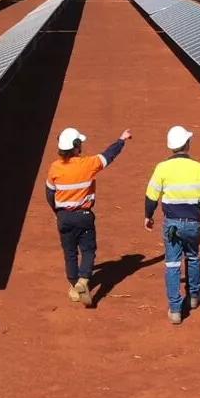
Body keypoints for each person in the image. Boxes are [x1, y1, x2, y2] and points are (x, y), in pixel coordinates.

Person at [46, 126, 132, 306]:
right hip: (84, 216)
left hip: (64, 217)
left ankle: (74, 287)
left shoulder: (54, 168)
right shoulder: (88, 164)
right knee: (88, 250)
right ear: (76, 146)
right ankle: (83, 281)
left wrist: (58, 212)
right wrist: (121, 139)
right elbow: (109, 155)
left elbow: (49, 193)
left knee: (69, 253)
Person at [144, 125, 200, 324]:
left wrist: (148, 216)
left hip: (172, 224)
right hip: (194, 223)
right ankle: (194, 297)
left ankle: (175, 309)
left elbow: (151, 196)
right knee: (193, 257)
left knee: (172, 264)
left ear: (171, 147)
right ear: (187, 144)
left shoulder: (162, 168)